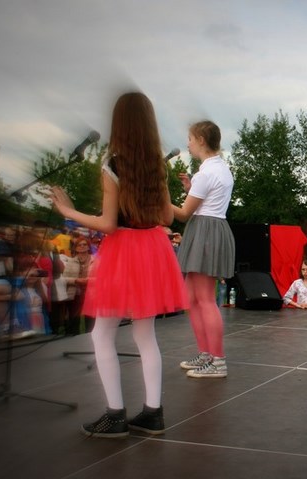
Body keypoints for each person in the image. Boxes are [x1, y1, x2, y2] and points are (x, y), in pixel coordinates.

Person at [50, 92, 188, 438]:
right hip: (152, 248)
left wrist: (68, 212)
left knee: (102, 333)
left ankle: (115, 415)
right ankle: (153, 414)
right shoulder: (157, 165)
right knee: (145, 335)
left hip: (123, 251)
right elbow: (166, 216)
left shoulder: (112, 165)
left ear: (120, 123)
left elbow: (108, 224)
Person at [172, 120, 236, 379]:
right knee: (192, 298)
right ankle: (207, 354)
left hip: (205, 231)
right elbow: (207, 199)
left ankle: (217, 360)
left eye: (190, 138)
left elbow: (183, 213)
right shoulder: (220, 169)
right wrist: (191, 189)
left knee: (205, 298)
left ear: (200, 140)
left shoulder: (206, 173)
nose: (188, 143)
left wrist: (157, 199)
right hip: (211, 228)